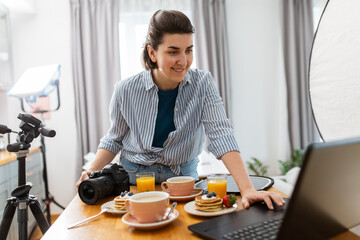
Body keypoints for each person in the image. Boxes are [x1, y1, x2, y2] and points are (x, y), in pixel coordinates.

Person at [76, 9, 285, 210]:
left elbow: (221, 134)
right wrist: (91, 171)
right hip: (134, 179)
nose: (183, 61)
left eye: (189, 50)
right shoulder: (125, 90)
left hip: (183, 180)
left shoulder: (203, 83)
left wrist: (247, 189)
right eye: (173, 51)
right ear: (152, 52)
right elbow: (114, 139)